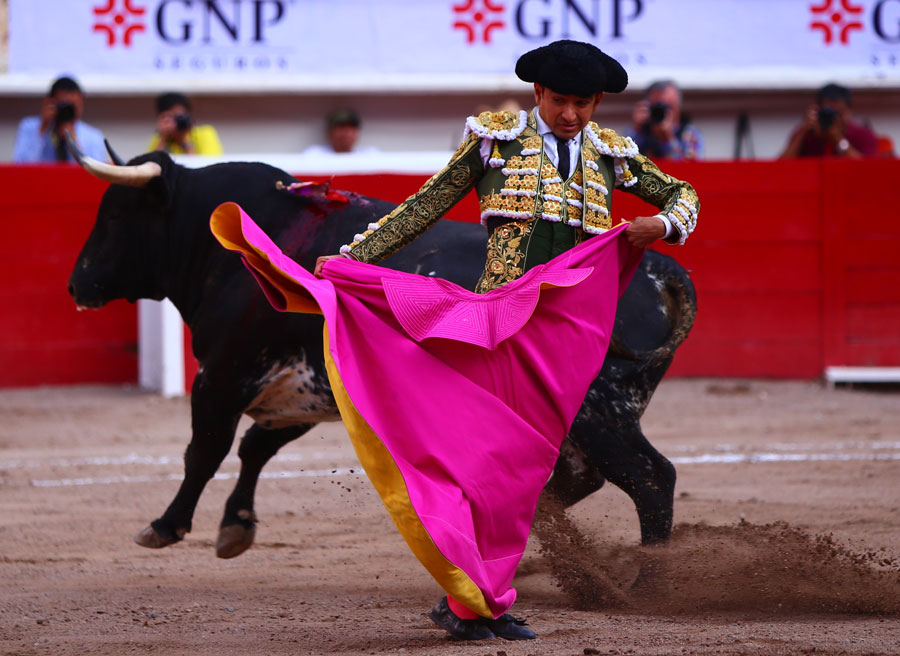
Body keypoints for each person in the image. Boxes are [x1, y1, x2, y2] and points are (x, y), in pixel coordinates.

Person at [308, 40, 699, 640]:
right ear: (538, 95)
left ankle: (475, 598)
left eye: (582, 103)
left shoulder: (612, 154)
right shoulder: (497, 142)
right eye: (559, 100)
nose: (569, 114)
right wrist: (347, 261)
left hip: (569, 338)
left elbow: (683, 196)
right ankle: (467, 596)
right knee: (487, 463)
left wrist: (664, 223)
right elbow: (426, 205)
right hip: (499, 326)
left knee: (528, 467)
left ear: (597, 102)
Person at [13, 76, 107, 163]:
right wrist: (42, 129)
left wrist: (73, 143)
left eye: (71, 106)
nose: (66, 111)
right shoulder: (29, 127)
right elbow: (21, 165)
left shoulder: (93, 136)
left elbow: (96, 174)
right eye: (63, 105)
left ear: (81, 103)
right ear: (49, 102)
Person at [779, 83, 878, 158]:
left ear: (849, 111)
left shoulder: (863, 135)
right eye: (827, 113)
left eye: (837, 113)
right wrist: (803, 131)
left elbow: (866, 170)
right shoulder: (808, 135)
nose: (833, 119)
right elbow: (780, 168)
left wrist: (839, 140)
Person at [628, 80, 703, 160]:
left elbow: (691, 169)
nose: (663, 112)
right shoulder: (639, 132)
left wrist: (668, 139)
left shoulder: (690, 135)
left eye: (668, 106)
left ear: (678, 107)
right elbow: (624, 162)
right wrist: (636, 130)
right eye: (657, 107)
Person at [148, 92, 223, 155]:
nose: (176, 122)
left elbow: (207, 165)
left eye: (180, 117)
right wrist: (163, 139)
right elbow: (152, 166)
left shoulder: (205, 133)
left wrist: (183, 142)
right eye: (171, 118)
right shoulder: (160, 137)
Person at [302, 109, 377, 154]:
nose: (346, 133)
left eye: (351, 128)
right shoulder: (314, 155)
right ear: (329, 132)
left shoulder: (370, 155)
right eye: (341, 127)